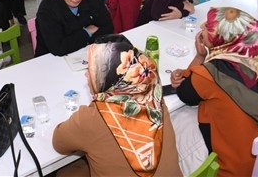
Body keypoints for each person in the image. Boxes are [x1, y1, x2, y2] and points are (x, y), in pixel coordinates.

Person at [170, 7, 258, 176]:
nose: (202, 27)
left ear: (222, 37)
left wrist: (199, 57)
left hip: (231, 169)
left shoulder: (212, 73)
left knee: (177, 119)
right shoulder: (257, 63)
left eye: (208, 27)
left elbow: (185, 93)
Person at [53, 37, 182, 177]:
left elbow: (59, 143)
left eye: (92, 69)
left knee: (64, 173)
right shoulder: (154, 97)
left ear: (106, 77)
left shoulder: (92, 117)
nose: (86, 74)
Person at [34, 0, 113, 57]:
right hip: (49, 59)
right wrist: (88, 32)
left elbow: (108, 26)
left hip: (84, 53)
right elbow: (59, 48)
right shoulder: (47, 9)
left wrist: (83, 42)